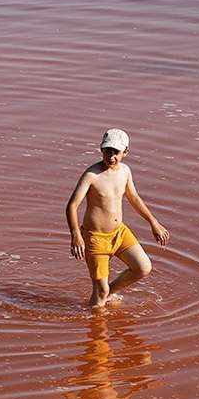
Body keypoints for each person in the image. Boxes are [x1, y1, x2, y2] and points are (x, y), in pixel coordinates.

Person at [66, 128, 169, 309]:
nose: (111, 156)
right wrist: (76, 235)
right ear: (101, 150)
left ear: (125, 152)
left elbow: (134, 198)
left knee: (143, 268)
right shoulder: (92, 175)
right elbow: (72, 205)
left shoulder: (125, 171)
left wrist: (154, 222)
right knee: (99, 298)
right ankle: (96, 332)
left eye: (116, 152)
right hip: (95, 239)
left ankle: (106, 293)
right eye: (107, 151)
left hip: (119, 233)